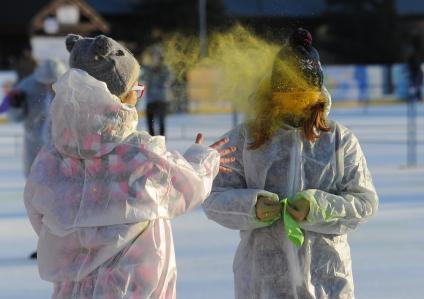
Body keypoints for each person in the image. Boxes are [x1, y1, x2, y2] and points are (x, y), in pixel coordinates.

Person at [24, 34, 235, 299]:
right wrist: (204, 158)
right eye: (137, 90)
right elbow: (186, 185)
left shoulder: (51, 159)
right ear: (118, 98)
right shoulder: (138, 155)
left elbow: (39, 217)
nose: (140, 96)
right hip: (133, 287)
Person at [203, 28, 379, 298]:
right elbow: (213, 196)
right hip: (262, 281)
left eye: (304, 92)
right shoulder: (244, 138)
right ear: (274, 91)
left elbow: (364, 202)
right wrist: (253, 206)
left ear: (317, 93)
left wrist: (316, 207)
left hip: (326, 282)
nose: (297, 100)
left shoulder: (339, 140)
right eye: (289, 91)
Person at [8, 58, 67, 177]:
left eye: (53, 82)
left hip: (62, 143)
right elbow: (15, 117)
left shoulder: (68, 87)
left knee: (62, 181)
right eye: (46, 83)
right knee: (34, 178)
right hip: (34, 143)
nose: (50, 86)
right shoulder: (27, 87)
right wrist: (16, 105)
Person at [142, 46, 171, 136]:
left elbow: (167, 81)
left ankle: (162, 142)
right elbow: (142, 78)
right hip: (150, 100)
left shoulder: (165, 69)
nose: (154, 58)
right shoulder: (148, 68)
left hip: (161, 99)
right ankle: (152, 140)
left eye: (156, 56)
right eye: (153, 56)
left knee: (161, 122)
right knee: (150, 122)